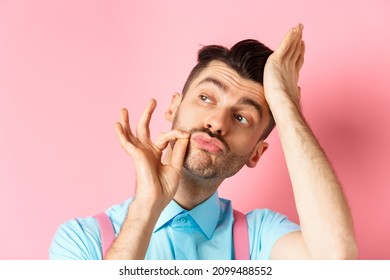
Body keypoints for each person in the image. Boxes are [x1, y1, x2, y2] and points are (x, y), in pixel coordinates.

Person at [49, 24, 358, 260]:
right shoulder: (83, 239)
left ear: (256, 153)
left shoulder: (261, 238)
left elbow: (336, 257)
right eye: (206, 97)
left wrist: (284, 102)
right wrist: (147, 205)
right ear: (173, 107)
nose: (217, 123)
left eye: (241, 118)